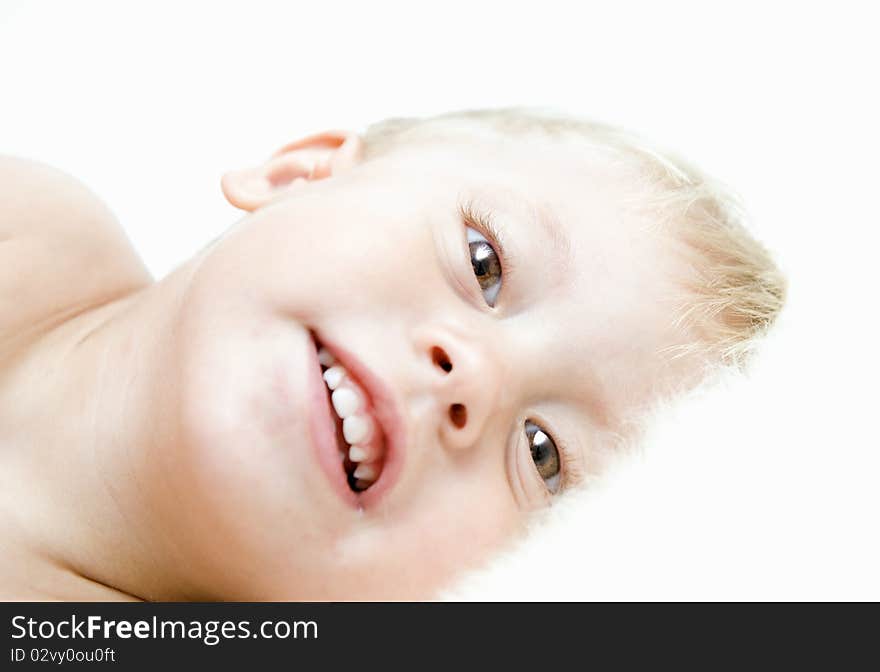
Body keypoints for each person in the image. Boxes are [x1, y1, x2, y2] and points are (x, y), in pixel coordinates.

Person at [0, 108, 786, 600]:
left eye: (544, 456)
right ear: (298, 174)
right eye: (485, 265)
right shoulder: (32, 226)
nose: (476, 376)